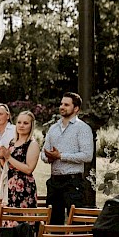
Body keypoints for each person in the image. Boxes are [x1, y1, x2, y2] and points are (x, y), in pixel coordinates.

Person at [40, 92, 95, 225]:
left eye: (66, 104)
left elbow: (87, 155)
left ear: (76, 108)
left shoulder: (83, 128)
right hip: (54, 181)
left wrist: (61, 156)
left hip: (73, 182)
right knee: (53, 220)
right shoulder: (53, 128)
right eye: (61, 104)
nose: (62, 107)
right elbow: (43, 153)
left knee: (76, 220)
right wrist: (50, 158)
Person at [0, 110, 40, 214]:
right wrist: (2, 158)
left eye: (25, 123)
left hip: (24, 187)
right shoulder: (13, 142)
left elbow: (29, 169)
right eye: (19, 122)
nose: (21, 125)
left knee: (22, 222)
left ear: (31, 126)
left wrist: (8, 157)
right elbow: (7, 166)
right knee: (8, 221)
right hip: (9, 186)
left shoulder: (32, 144)